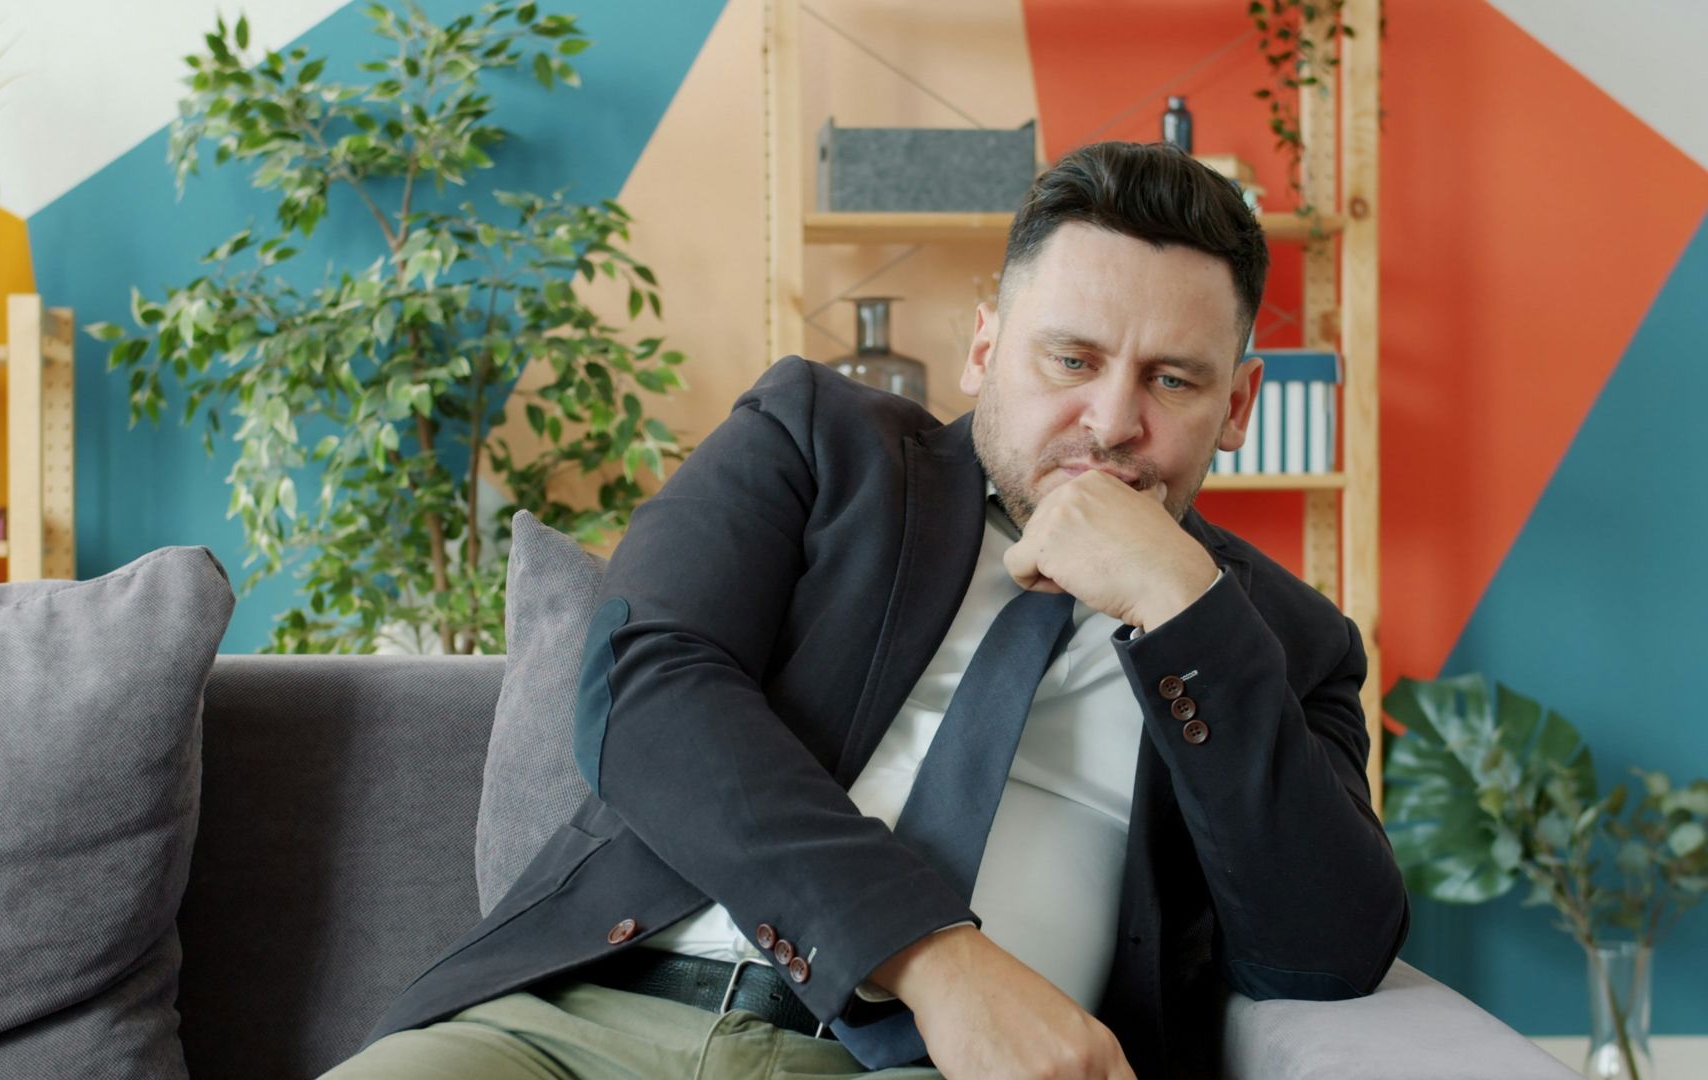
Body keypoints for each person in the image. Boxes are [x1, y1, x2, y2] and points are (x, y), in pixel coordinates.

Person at [322, 140, 1408, 1080]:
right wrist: (936, 959)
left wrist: (1181, 602)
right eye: (1071, 359)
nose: (1114, 421)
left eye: (1173, 381)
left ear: (1238, 405)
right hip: (582, 1023)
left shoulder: (1283, 642)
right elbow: (645, 688)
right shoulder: (815, 441)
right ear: (984, 347)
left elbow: (1326, 949)